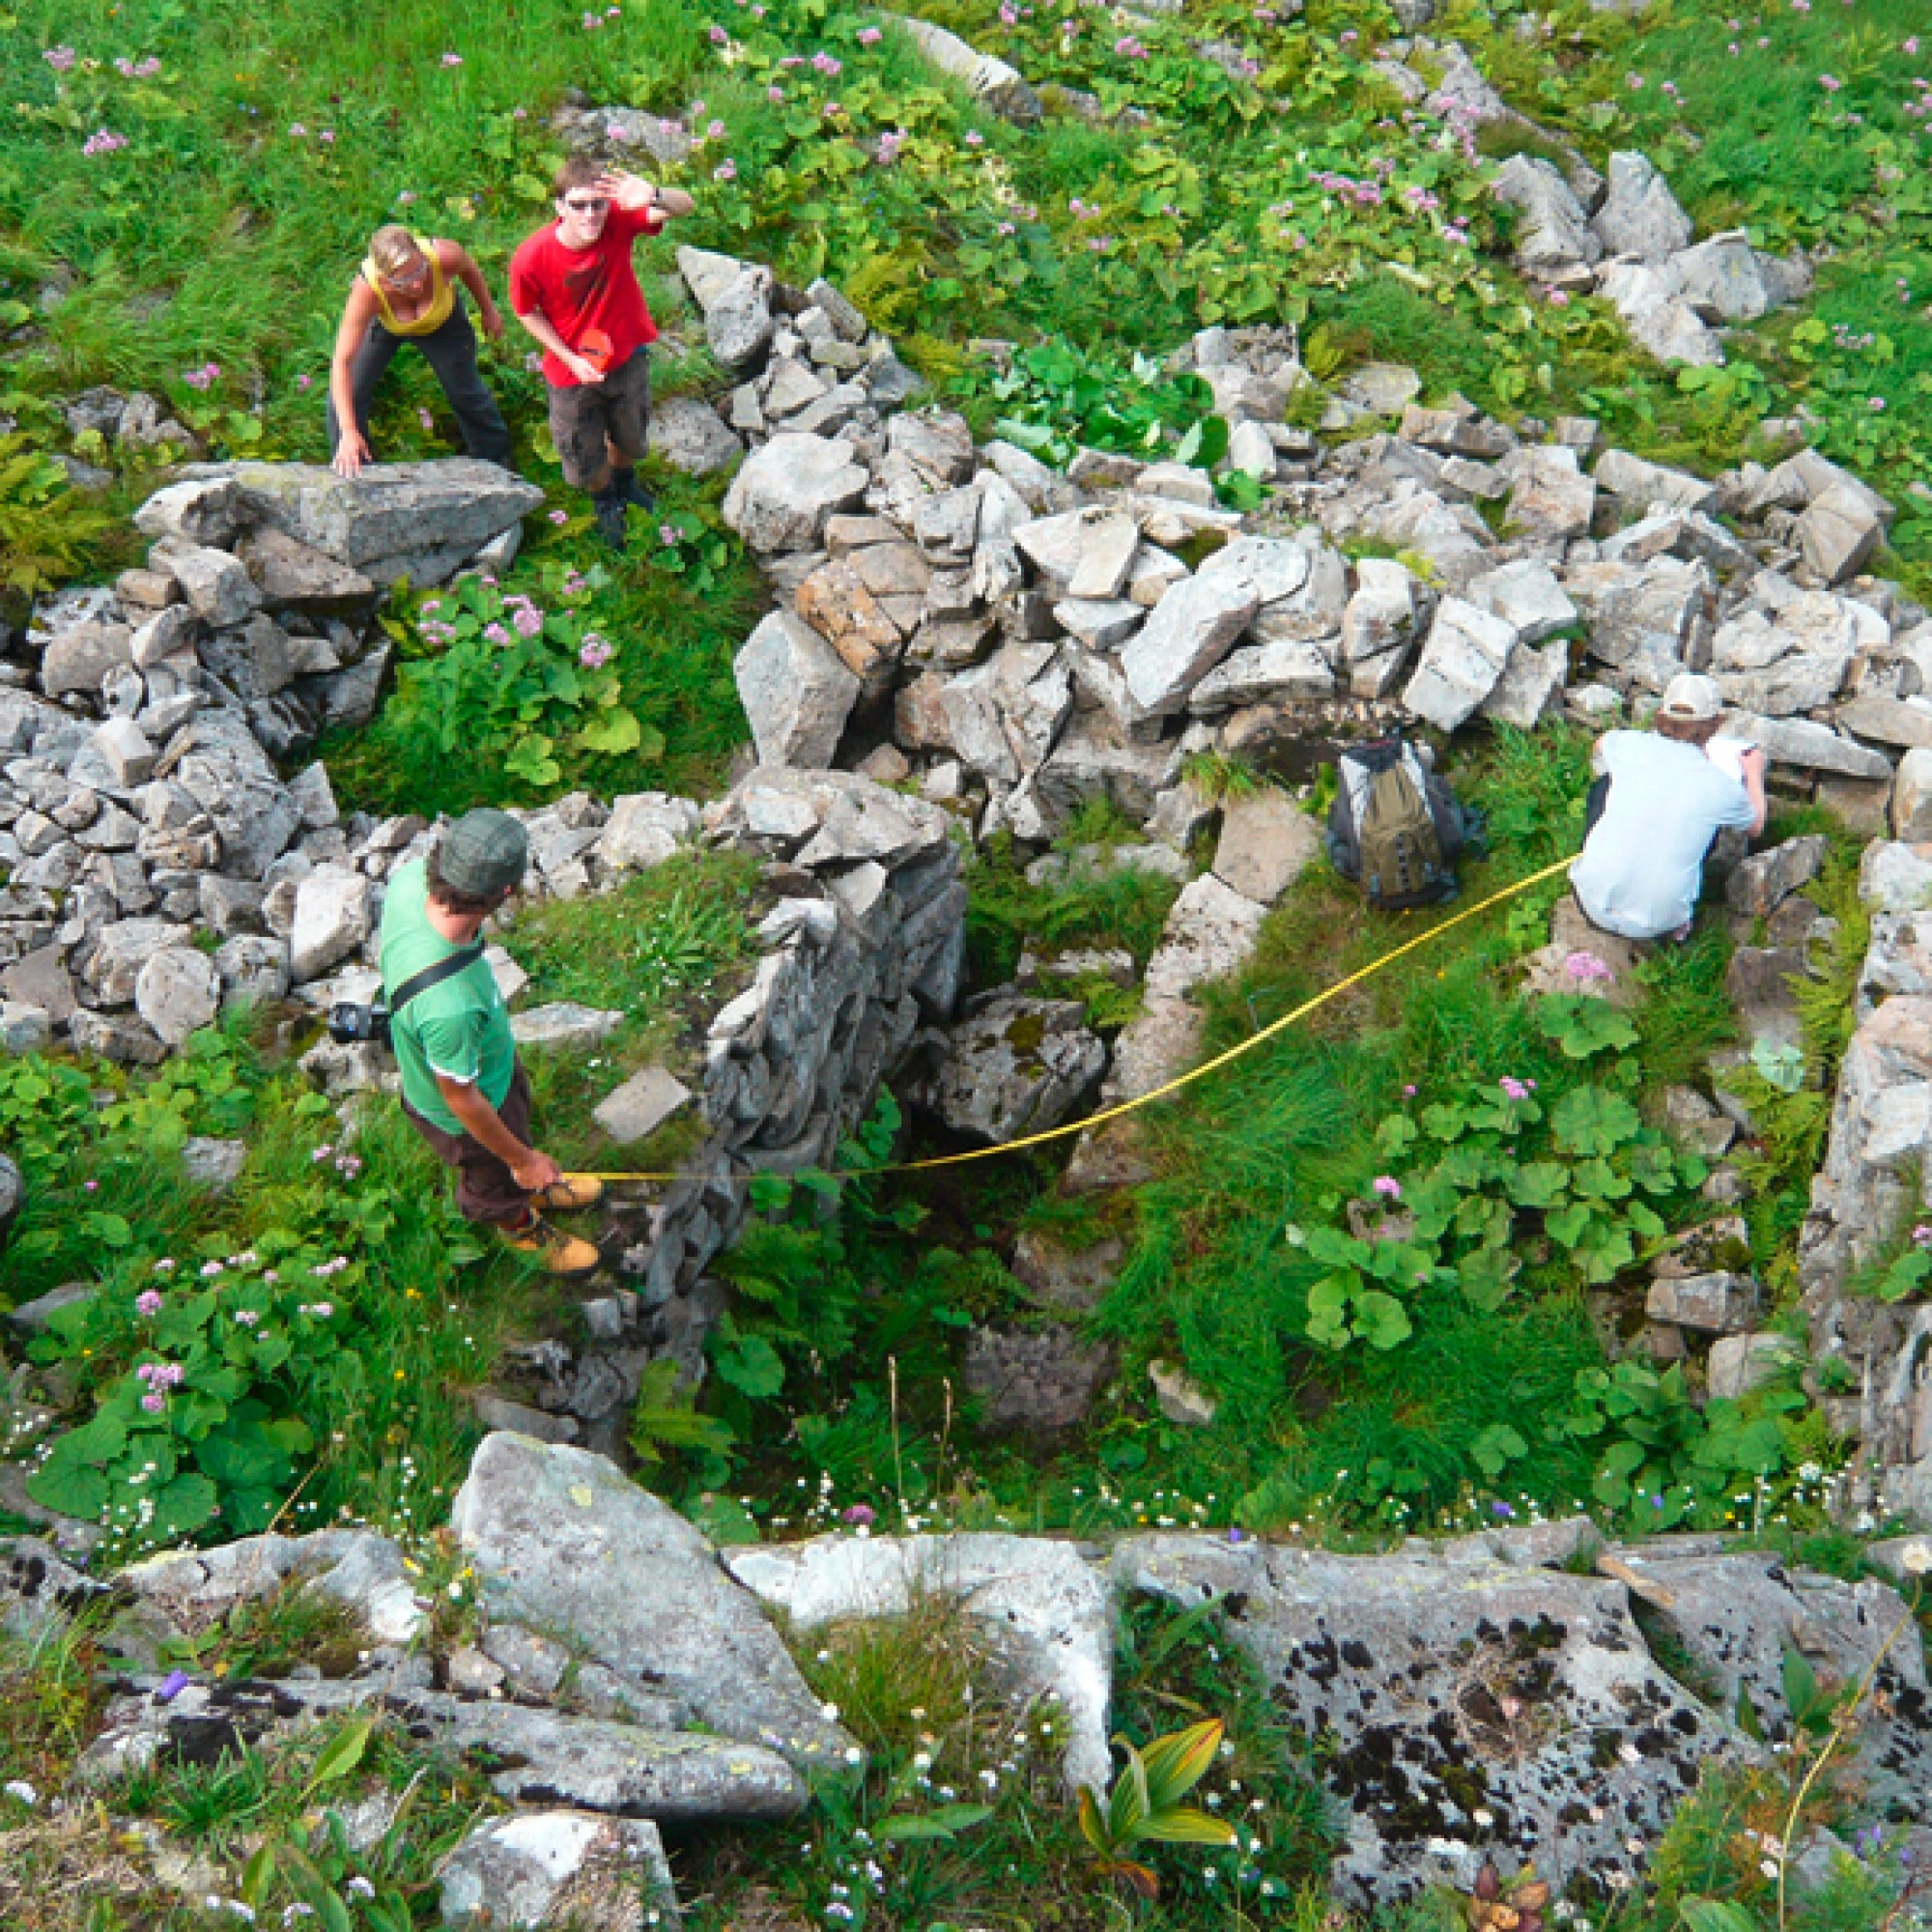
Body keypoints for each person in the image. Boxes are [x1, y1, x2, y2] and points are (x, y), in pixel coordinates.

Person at [378, 809, 605, 1274]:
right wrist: (521, 1160)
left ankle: (535, 1182)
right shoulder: (451, 1006)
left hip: (490, 1068)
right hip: (466, 1114)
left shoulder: (407, 884)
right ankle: (518, 1220)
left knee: (514, 1128)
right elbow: (461, 1098)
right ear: (505, 892)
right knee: (492, 1177)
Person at [509, 156, 695, 549]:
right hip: (572, 371)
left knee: (629, 432)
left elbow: (686, 205)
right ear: (559, 207)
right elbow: (527, 312)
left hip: (626, 353)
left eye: (598, 204)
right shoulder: (531, 258)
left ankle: (625, 484)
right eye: (578, 205)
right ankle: (604, 500)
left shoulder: (618, 222)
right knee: (582, 448)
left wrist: (655, 194)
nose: (590, 215)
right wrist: (569, 357)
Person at [1570, 673, 1769, 943]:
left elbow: (1600, 745)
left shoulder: (1628, 744)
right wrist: (1753, 771)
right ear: (1715, 724)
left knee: (1604, 785)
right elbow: (1755, 826)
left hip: (1590, 903)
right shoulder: (1719, 786)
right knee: (1709, 823)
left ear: (1661, 712)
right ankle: (1679, 923)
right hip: (1656, 925)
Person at [327, 227, 514, 478]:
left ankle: (498, 466)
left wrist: (489, 311)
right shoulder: (368, 290)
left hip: (443, 323)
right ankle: (355, 468)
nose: (416, 284)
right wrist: (349, 430)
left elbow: (469, 269)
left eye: (419, 270)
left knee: (466, 393)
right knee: (345, 398)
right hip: (387, 324)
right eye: (403, 280)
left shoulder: (444, 255)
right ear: (385, 278)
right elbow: (342, 363)